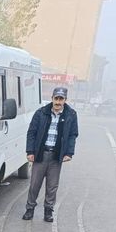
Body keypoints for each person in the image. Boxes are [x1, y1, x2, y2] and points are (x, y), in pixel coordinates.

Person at [22, 87, 78, 223]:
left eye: (61, 99)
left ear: (65, 100)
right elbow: (31, 133)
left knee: (52, 186)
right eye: (56, 98)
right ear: (52, 98)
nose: (58, 102)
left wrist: (69, 152)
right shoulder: (41, 113)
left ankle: (48, 211)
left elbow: (72, 135)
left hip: (56, 156)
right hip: (41, 154)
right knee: (35, 184)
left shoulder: (71, 114)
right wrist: (30, 152)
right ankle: (30, 209)